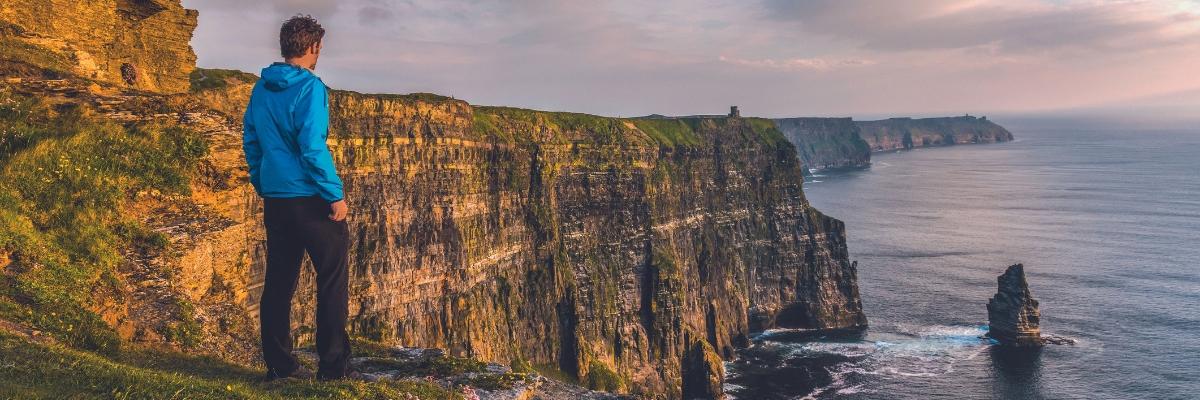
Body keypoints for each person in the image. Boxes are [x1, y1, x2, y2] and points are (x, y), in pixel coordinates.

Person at [242, 14, 354, 381]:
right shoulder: (311, 88)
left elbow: (252, 142)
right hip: (310, 199)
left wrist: (263, 182)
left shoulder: (261, 88)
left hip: (277, 198)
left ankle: (280, 366)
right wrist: (334, 195)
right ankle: (333, 368)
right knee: (332, 281)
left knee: (278, 282)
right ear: (313, 47)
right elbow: (311, 146)